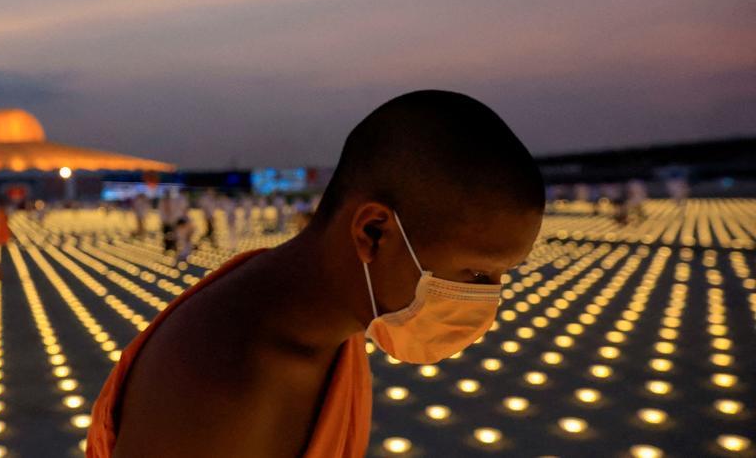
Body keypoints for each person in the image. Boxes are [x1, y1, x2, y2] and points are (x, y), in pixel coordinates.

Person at [87, 91, 545, 458]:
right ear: (373, 232)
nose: (489, 303)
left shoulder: (331, 322)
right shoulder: (224, 389)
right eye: (478, 274)